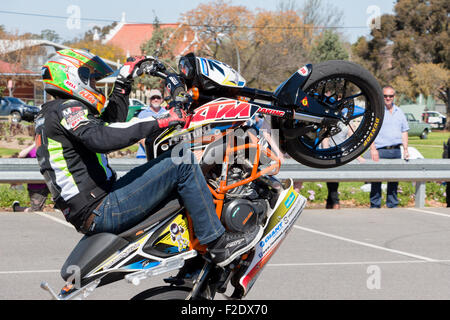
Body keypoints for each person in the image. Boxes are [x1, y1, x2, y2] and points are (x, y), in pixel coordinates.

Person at [36, 49, 262, 267]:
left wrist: (124, 80)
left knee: (168, 173)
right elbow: (102, 138)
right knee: (181, 161)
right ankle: (217, 242)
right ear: (69, 77)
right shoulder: (66, 108)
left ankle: (193, 252)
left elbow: (112, 121)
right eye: (91, 80)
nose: (94, 85)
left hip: (95, 205)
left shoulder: (51, 113)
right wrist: (163, 120)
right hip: (102, 208)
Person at [369, 86, 409, 208]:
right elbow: (371, 132)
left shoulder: (399, 112)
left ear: (394, 97)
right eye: (385, 96)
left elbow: (404, 131)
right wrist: (373, 149)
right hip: (381, 150)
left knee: (394, 179)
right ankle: (375, 204)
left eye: (390, 96)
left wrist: (406, 150)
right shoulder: (377, 112)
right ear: (382, 97)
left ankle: (392, 204)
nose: (388, 98)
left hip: (396, 150)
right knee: (377, 179)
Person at [12, 141, 50, 212]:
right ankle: (16, 207)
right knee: (35, 210)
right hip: (36, 185)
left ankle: (58, 207)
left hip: (50, 182)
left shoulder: (50, 148)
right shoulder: (32, 151)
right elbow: (21, 155)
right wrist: (34, 144)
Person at [136, 89, 167, 159]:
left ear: (161, 100)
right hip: (144, 154)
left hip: (162, 153)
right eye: (153, 97)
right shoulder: (143, 114)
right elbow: (139, 135)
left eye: (158, 97)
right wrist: (150, 149)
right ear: (150, 100)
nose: (156, 99)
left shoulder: (166, 113)